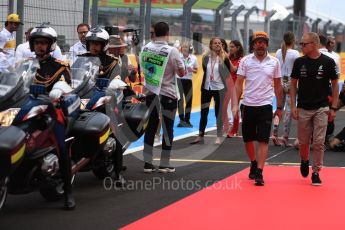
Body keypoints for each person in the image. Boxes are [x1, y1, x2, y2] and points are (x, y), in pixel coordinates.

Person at [29, 24, 75, 209]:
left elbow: (66, 86)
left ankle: (68, 192)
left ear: (51, 45)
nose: (40, 46)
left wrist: (57, 91)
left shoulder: (59, 66)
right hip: (26, 110)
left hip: (50, 113)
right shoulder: (25, 64)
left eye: (44, 43)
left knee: (61, 148)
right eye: (37, 42)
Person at [232, 31, 284, 186]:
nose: (260, 44)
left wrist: (279, 107)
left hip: (265, 106)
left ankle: (260, 172)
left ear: (267, 44)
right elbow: (238, 83)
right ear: (253, 44)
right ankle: (253, 162)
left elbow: (278, 86)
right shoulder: (246, 61)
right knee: (248, 140)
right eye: (257, 42)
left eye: (263, 42)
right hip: (248, 105)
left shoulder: (274, 62)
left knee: (263, 139)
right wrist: (235, 104)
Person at [290, 32, 338, 186]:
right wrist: (292, 105)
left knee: (318, 142)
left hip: (322, 108)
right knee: (303, 142)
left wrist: (334, 107)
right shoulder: (298, 62)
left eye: (305, 44)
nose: (302, 46)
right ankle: (304, 160)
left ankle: (316, 171)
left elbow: (336, 85)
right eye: (301, 44)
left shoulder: (329, 62)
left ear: (315, 44)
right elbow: (292, 84)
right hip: (303, 107)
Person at [140, 21, 185, 173]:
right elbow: (182, 73)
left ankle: (147, 164)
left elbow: (143, 69)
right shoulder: (172, 51)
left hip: (151, 93)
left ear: (155, 32)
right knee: (168, 128)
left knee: (151, 127)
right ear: (167, 33)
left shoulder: (145, 48)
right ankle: (164, 164)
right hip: (168, 94)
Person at [191, 37, 231, 145]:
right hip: (206, 88)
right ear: (211, 45)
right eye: (215, 43)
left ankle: (218, 136)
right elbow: (205, 71)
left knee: (218, 113)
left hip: (219, 89)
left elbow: (227, 74)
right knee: (204, 112)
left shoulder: (225, 58)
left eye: (219, 43)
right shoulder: (205, 58)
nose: (217, 45)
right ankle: (200, 135)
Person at [271, 31, 300, 147]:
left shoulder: (279, 51)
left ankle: (274, 133)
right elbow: (297, 69)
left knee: (278, 109)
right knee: (288, 110)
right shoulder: (295, 53)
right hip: (290, 84)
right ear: (293, 40)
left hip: (279, 82)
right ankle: (285, 137)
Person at [223, 40, 244, 137]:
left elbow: (234, 69)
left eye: (232, 47)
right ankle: (227, 127)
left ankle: (234, 130)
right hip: (226, 85)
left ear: (238, 48)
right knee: (223, 107)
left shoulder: (241, 59)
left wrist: (227, 59)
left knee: (234, 108)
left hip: (236, 87)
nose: (230, 48)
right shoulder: (228, 57)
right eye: (229, 46)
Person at [176, 42, 198, 128]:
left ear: (189, 48)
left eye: (186, 47)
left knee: (189, 100)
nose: (185, 49)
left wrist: (191, 69)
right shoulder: (178, 57)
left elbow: (196, 70)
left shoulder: (193, 58)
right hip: (179, 80)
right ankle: (181, 120)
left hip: (188, 80)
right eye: (183, 47)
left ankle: (187, 120)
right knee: (180, 101)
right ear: (181, 48)